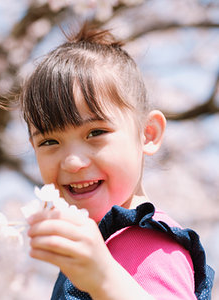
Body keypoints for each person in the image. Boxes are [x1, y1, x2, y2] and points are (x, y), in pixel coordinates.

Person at [18, 24, 215, 299]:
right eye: (49, 142)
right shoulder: (92, 248)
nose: (72, 162)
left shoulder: (152, 243)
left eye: (95, 133)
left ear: (148, 134)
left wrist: (104, 279)